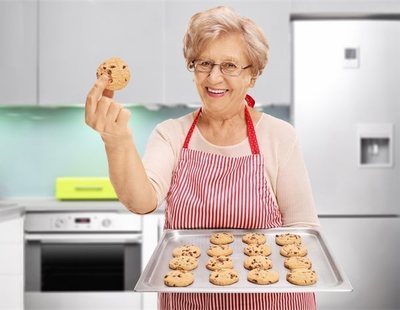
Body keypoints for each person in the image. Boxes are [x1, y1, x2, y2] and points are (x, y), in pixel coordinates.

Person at [85, 6, 319, 310]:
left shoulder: (279, 136)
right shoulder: (170, 134)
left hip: (270, 301)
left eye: (230, 65)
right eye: (204, 63)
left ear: (253, 75)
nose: (214, 77)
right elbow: (141, 201)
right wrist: (116, 141)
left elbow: (302, 233)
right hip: (190, 302)